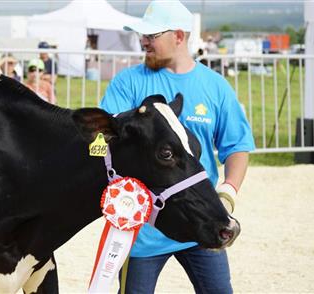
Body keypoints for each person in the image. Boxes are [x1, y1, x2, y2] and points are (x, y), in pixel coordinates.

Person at [99, 0, 255, 293]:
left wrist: (227, 194)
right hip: (142, 229)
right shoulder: (127, 84)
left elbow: (237, 146)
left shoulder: (215, 86)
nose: (143, 41)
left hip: (201, 221)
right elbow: (105, 141)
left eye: (151, 35)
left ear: (179, 36)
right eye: (142, 35)